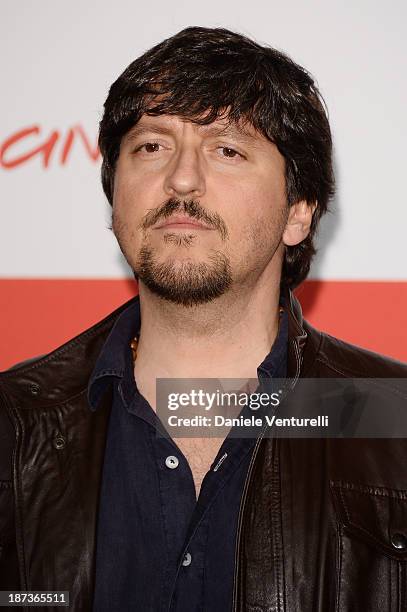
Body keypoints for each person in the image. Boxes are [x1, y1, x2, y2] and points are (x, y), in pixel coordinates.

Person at [0, 26, 406, 612]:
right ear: (115, 197)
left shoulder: (394, 425)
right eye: (151, 146)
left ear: (298, 212)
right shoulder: (15, 423)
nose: (182, 179)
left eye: (228, 150)